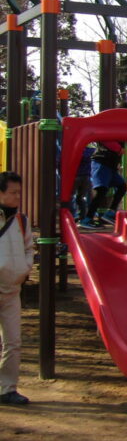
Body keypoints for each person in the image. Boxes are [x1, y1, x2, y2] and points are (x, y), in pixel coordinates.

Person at [79, 101, 127, 229]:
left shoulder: (122, 127)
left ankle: (110, 213)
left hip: (111, 165)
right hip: (101, 161)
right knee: (101, 190)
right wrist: (118, 148)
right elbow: (103, 137)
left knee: (122, 187)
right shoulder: (110, 123)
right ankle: (87, 219)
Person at [0, 172, 33, 405]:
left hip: (12, 288)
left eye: (19, 192)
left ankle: (7, 388)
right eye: (13, 192)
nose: (18, 197)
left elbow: (29, 247)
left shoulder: (22, 220)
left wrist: (25, 268)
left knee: (13, 341)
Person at [71, 144, 93, 220]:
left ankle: (73, 214)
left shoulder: (74, 150)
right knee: (81, 197)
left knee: (71, 196)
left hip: (75, 176)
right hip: (86, 176)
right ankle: (82, 216)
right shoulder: (90, 151)